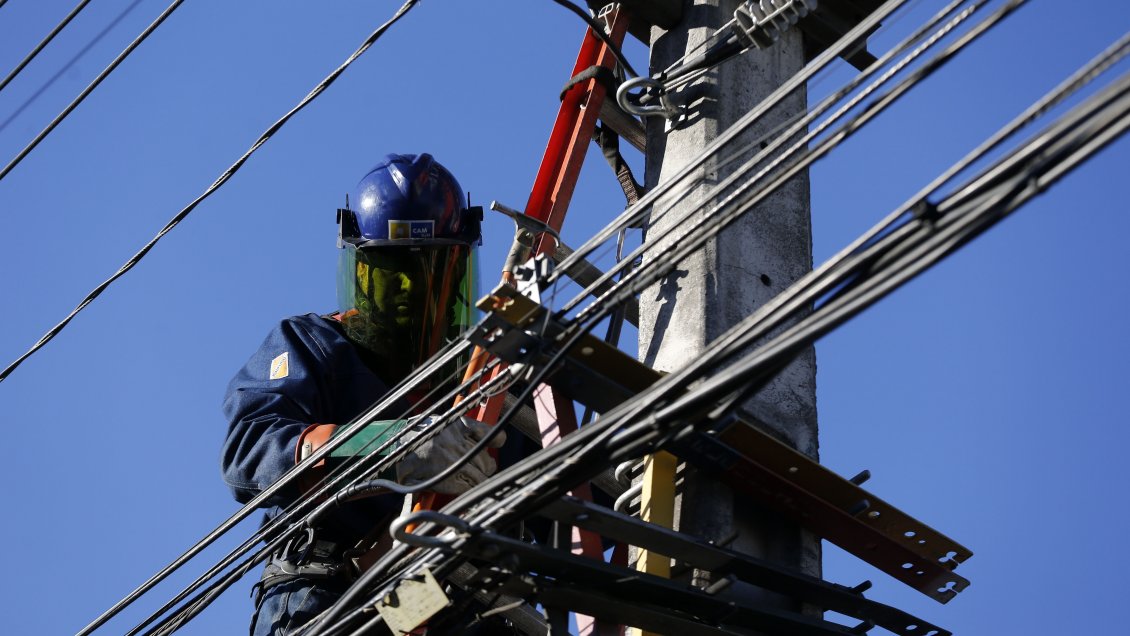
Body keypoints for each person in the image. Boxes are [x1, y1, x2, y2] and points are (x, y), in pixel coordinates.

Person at [221, 153, 503, 636]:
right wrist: (395, 449)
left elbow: (578, 503)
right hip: (325, 593)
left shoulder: (485, 387)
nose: (407, 291)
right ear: (362, 271)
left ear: (456, 273)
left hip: (426, 597)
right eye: (391, 271)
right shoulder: (317, 345)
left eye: (426, 272)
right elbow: (252, 450)